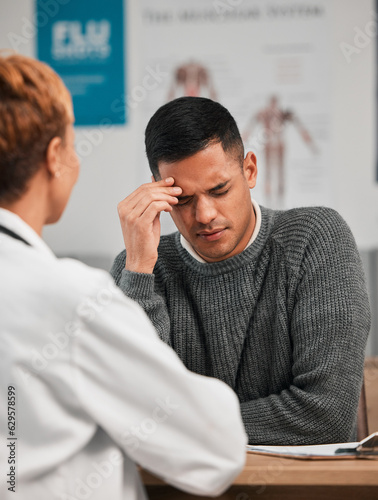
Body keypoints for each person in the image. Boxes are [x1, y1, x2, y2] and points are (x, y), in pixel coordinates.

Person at [0, 55, 248, 500]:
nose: (205, 214)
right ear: (55, 156)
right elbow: (216, 450)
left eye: (219, 190)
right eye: (73, 143)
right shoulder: (71, 298)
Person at [111, 96, 371, 446]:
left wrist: (179, 426)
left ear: (249, 170)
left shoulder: (315, 239)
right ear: (159, 191)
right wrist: (140, 270)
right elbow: (131, 413)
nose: (204, 215)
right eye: (183, 199)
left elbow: (326, 415)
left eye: (219, 190)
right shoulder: (138, 271)